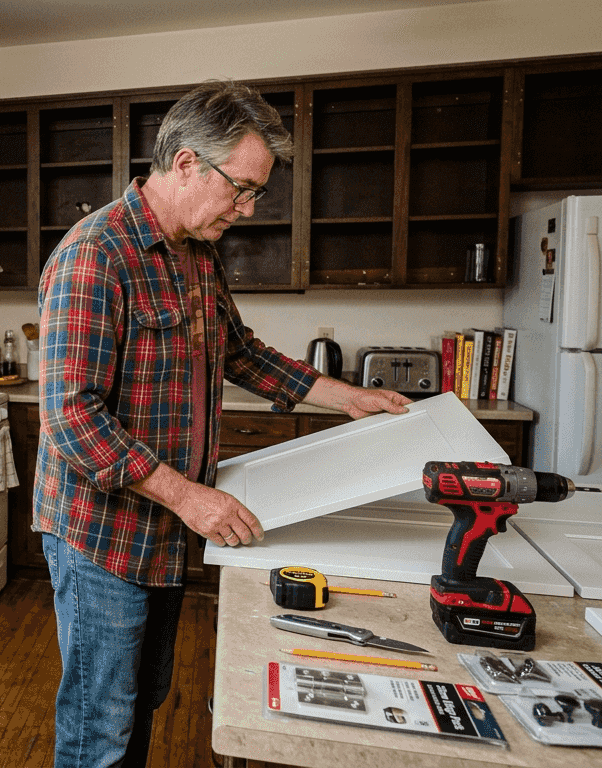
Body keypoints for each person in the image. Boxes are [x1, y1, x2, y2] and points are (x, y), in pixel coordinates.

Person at [33, 79, 412, 768]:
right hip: (102, 536)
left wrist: (344, 397)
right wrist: (189, 496)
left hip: (163, 530)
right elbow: (71, 417)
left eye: (256, 192)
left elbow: (238, 352)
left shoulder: (197, 254)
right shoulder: (96, 254)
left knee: (140, 701)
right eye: (241, 187)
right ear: (184, 164)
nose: (247, 207)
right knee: (99, 724)